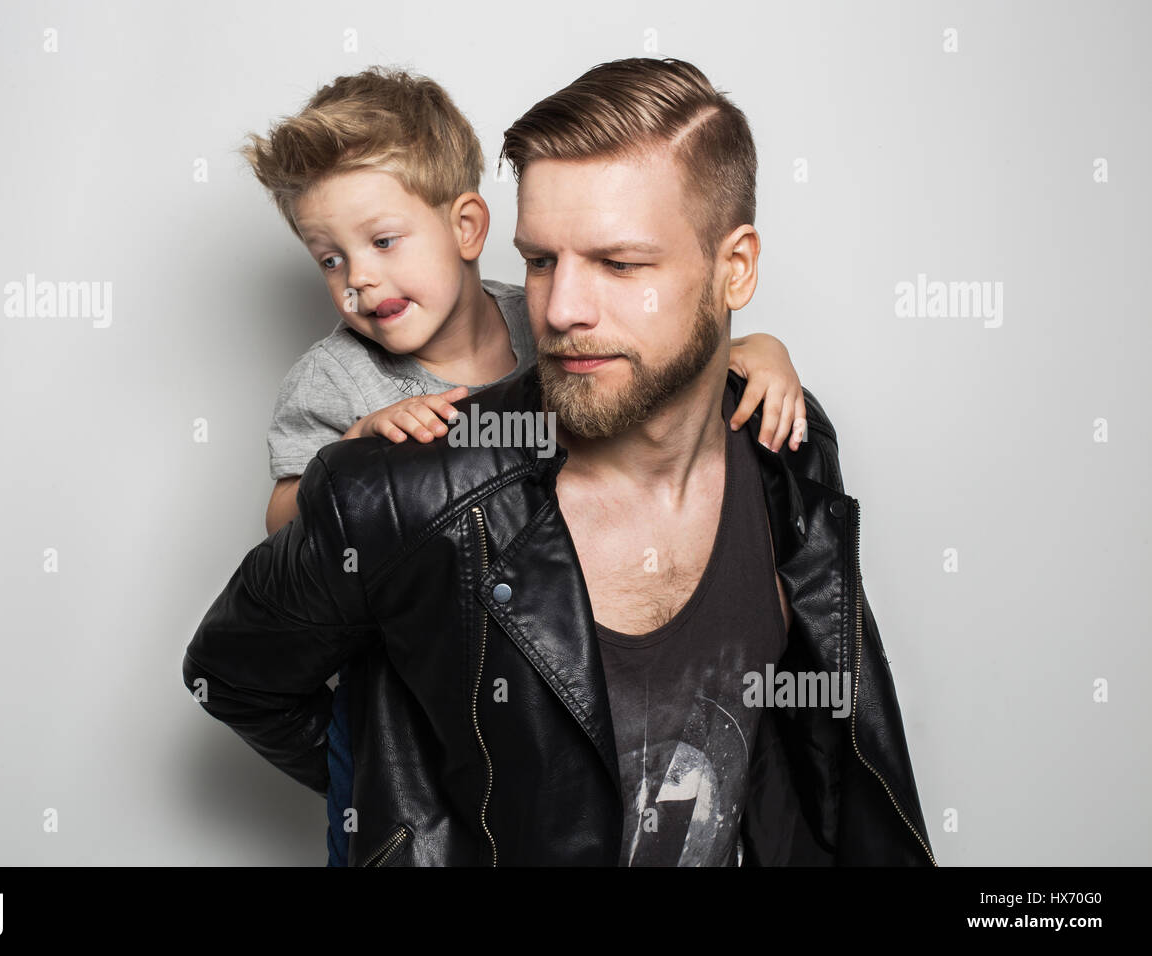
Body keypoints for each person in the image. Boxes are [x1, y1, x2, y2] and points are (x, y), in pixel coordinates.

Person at [183, 56, 935, 866]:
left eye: (619, 264)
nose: (563, 311)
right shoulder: (394, 487)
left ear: (736, 269)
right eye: (540, 261)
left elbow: (814, 747)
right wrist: (390, 804)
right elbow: (235, 676)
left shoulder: (784, 439)